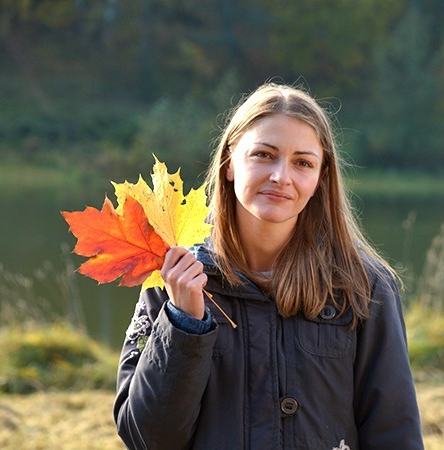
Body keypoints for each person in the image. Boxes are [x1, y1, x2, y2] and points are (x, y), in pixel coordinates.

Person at [114, 82, 424, 449]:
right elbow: (147, 439)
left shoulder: (363, 285)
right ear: (229, 164)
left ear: (320, 179)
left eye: (303, 163)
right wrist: (184, 323)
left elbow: (395, 434)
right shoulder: (174, 273)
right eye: (263, 154)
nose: (281, 176)